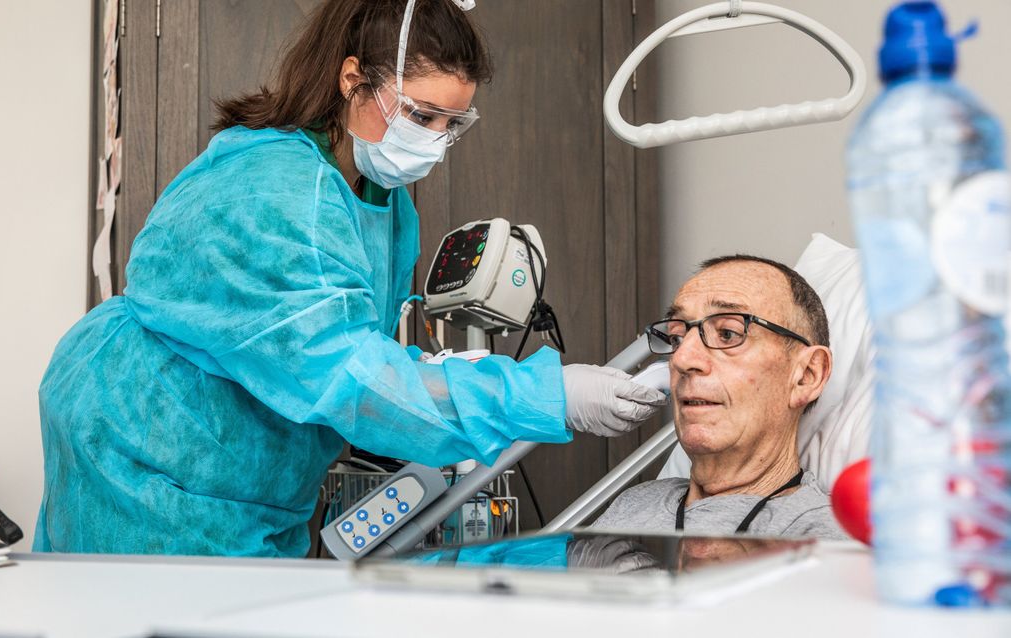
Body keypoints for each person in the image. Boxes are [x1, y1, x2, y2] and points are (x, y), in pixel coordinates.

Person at [34, 0, 666, 557]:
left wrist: (448, 382)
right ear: (353, 79)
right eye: (422, 116)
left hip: (249, 466)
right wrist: (544, 396)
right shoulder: (282, 193)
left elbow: (351, 344)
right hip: (156, 457)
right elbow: (348, 374)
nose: (437, 142)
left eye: (454, 124)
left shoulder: (384, 204)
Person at [592, 256, 848, 539]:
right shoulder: (635, 503)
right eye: (676, 338)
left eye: (728, 333)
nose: (681, 358)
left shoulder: (818, 540)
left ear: (806, 376)